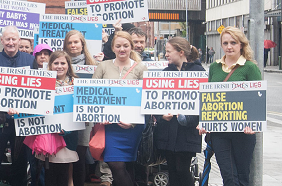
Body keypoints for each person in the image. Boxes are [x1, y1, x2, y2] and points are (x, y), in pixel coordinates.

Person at [198, 27, 261, 186]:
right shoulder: (214, 67)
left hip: (242, 132)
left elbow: (257, 98)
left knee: (242, 177)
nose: (229, 46)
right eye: (225, 43)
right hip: (220, 132)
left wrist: (253, 124)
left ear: (241, 45)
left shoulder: (250, 68)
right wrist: (205, 122)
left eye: (233, 42)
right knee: (228, 177)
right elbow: (210, 98)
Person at [92, 31, 147, 186]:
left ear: (131, 47)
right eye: (118, 46)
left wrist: (133, 123)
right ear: (113, 48)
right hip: (109, 127)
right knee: (115, 163)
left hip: (131, 128)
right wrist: (100, 116)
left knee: (126, 166)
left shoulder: (140, 68)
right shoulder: (103, 66)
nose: (122, 49)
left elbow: (145, 100)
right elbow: (92, 94)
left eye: (125, 46)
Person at [0, 26, 34, 186]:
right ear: (2, 41)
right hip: (1, 121)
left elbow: (34, 90)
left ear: (19, 41)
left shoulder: (30, 61)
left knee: (20, 162)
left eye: (14, 39)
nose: (11, 42)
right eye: (7, 39)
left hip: (22, 121)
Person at [24, 51, 79, 186]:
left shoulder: (77, 85)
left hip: (67, 138)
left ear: (68, 65)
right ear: (50, 65)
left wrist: (66, 130)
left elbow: (80, 113)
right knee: (49, 175)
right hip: (47, 136)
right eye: (56, 63)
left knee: (63, 175)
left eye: (62, 63)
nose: (59, 66)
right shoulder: (42, 83)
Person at [154, 37, 203, 186]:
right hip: (168, 131)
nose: (166, 54)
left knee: (182, 169)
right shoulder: (166, 72)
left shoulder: (198, 72)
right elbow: (155, 100)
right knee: (173, 170)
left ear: (181, 52)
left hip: (187, 131)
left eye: (169, 51)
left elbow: (204, 103)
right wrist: (161, 115)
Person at [63, 30, 98, 186]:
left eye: (76, 42)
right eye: (70, 42)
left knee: (80, 155)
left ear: (82, 44)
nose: (73, 45)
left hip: (84, 117)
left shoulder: (93, 65)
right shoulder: (60, 62)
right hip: (64, 115)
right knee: (65, 154)